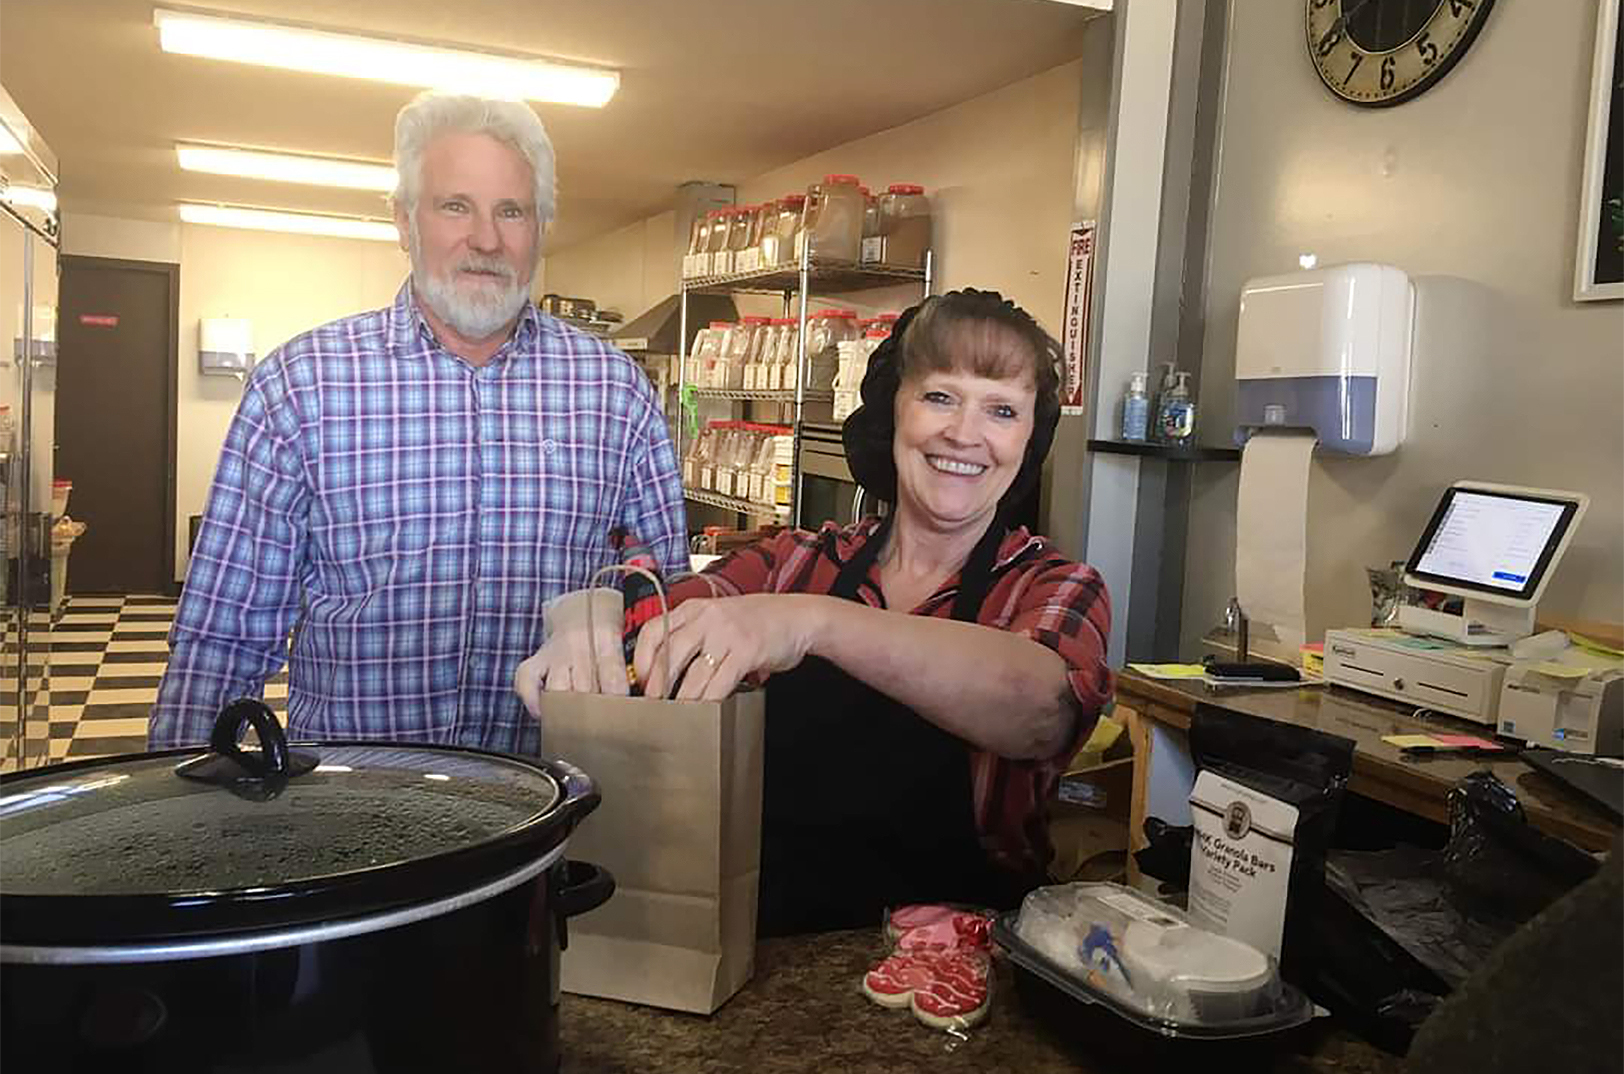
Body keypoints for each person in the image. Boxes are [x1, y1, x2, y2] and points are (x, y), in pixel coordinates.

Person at [517, 289, 1112, 935]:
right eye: (939, 397)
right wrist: (590, 617)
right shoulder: (797, 562)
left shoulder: (1048, 586)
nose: (964, 434)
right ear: (894, 411)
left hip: (953, 980)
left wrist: (815, 624)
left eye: (1002, 410)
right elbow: (653, 620)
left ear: (1030, 439)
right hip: (767, 961)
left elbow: (1041, 714)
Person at [149, 92, 686, 755]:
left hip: (555, 816)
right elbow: (222, 640)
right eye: (455, 205)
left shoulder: (617, 394)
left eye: (512, 211)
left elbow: (667, 604)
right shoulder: (302, 386)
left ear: (541, 227)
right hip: (355, 820)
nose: (486, 239)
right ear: (404, 221)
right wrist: (185, 818)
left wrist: (616, 604)